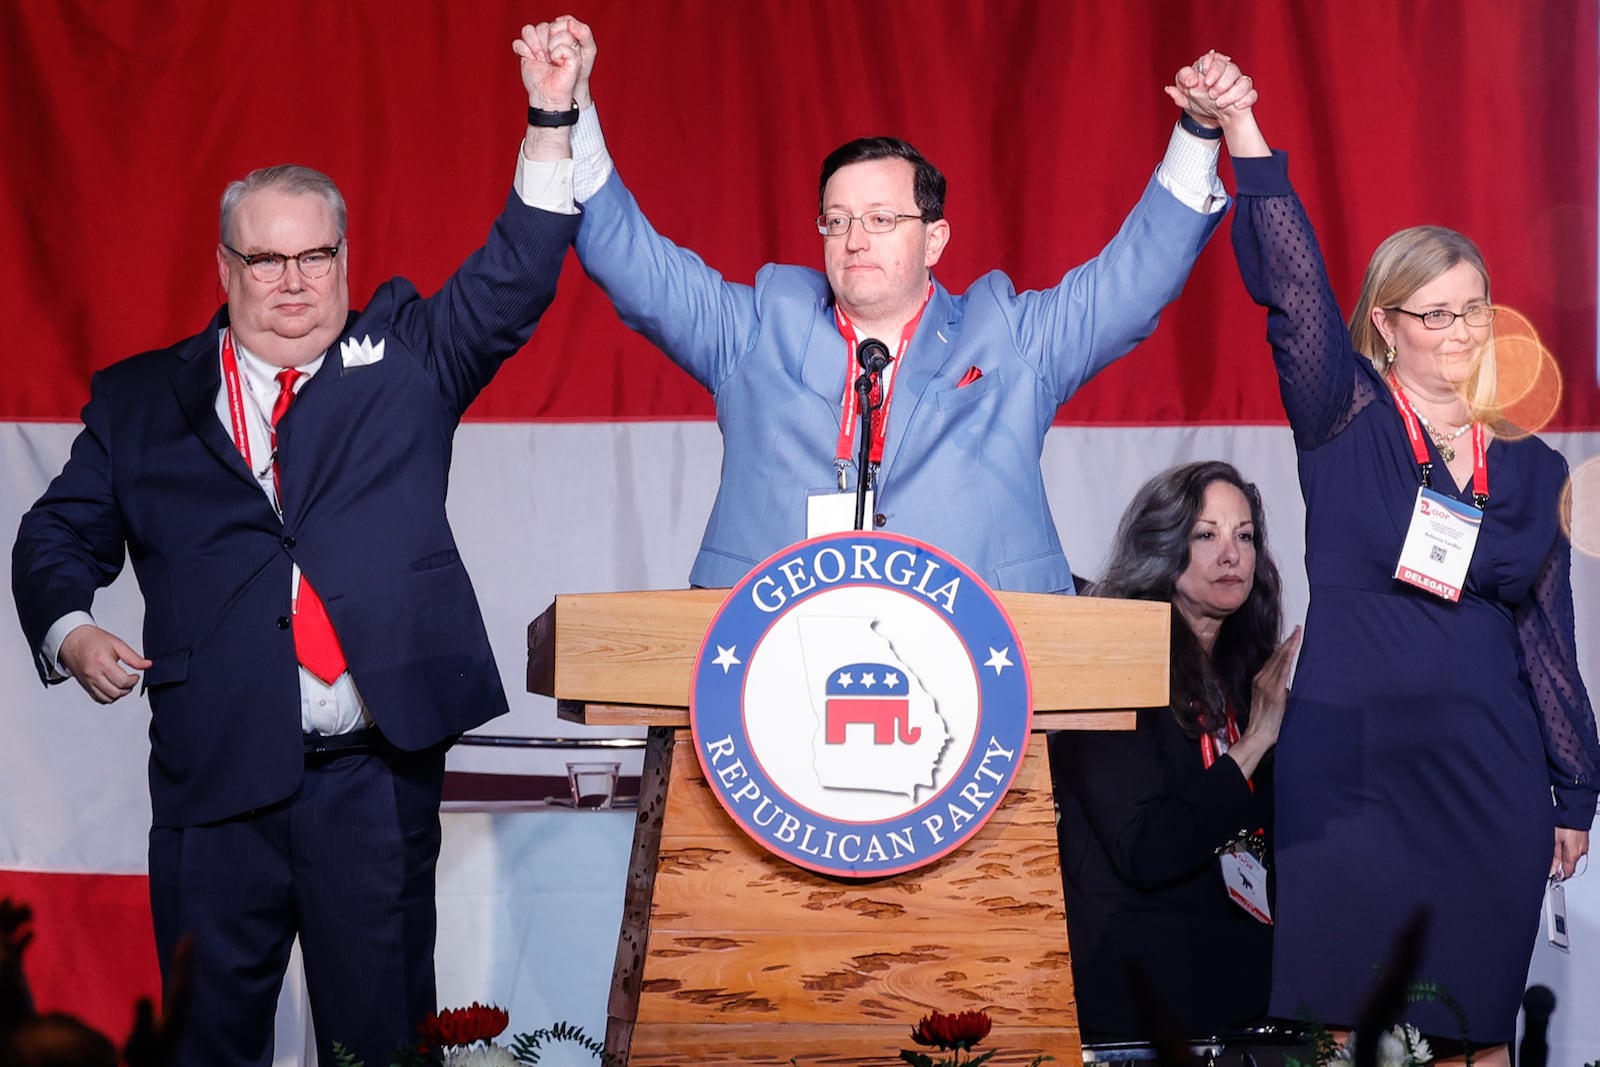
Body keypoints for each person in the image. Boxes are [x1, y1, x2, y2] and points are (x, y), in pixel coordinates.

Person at [11, 23, 588, 1067]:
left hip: (372, 777)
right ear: (224, 265)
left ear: (342, 259)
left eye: (313, 254)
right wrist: (69, 628)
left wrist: (552, 112)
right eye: (266, 258)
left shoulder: (406, 356)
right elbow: (57, 530)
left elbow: (515, 273)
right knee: (205, 1044)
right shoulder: (144, 400)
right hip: (213, 772)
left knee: (376, 1043)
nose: (292, 280)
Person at [1174, 64, 1600, 1065]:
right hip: (1347, 779)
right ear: (1383, 325)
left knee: (1474, 1036)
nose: (1457, 333)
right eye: (1432, 313)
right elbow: (1289, 284)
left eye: (1472, 309)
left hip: (1487, 782)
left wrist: (1572, 794)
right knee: (1346, 1032)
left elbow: (1547, 642)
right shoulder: (1342, 417)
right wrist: (1242, 125)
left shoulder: (1536, 470)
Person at [550, 16, 1256, 591]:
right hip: (768, 653)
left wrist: (1197, 132)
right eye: (837, 219)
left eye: (882, 219)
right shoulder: (761, 325)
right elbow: (635, 267)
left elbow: (1130, 286)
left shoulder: (1003, 334)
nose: (854, 239)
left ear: (936, 239)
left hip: (977, 661)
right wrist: (569, 113)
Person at [1049, 461, 1301, 1049]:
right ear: (1164, 545)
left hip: (1239, 996)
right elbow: (1147, 849)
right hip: (1139, 1009)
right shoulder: (1115, 665)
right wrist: (1255, 743)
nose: (1232, 554)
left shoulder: (1250, 675)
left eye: (1244, 535)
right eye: (1206, 535)